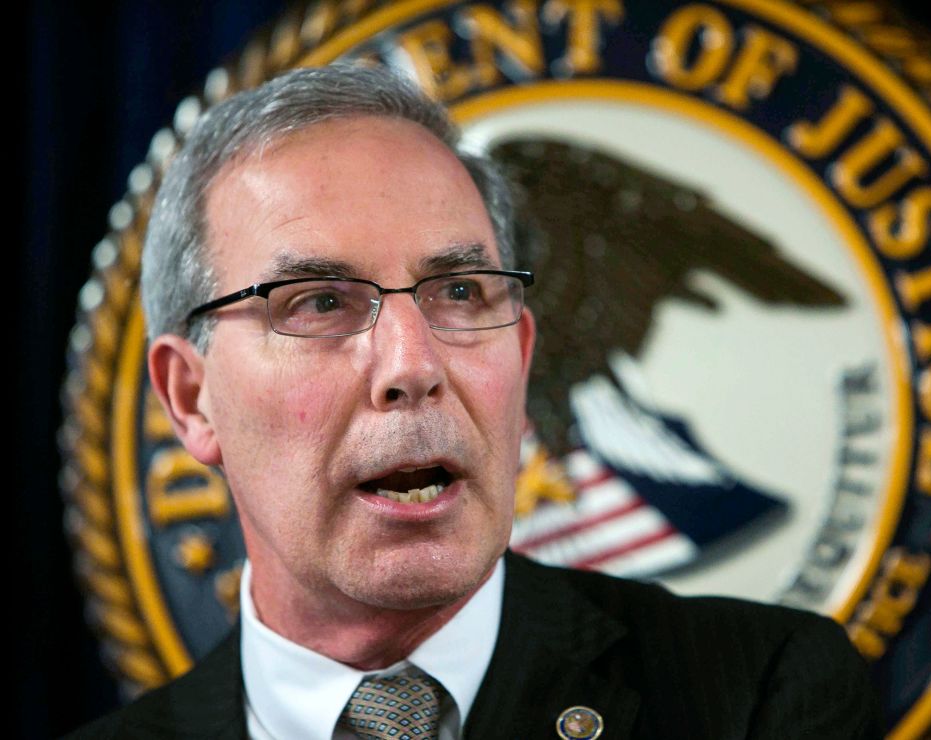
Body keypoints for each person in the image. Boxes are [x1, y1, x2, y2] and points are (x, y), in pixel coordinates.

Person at [68, 62, 881, 740]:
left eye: (459, 292)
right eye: (318, 302)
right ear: (191, 398)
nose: (412, 364)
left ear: (522, 356)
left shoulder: (760, 698)